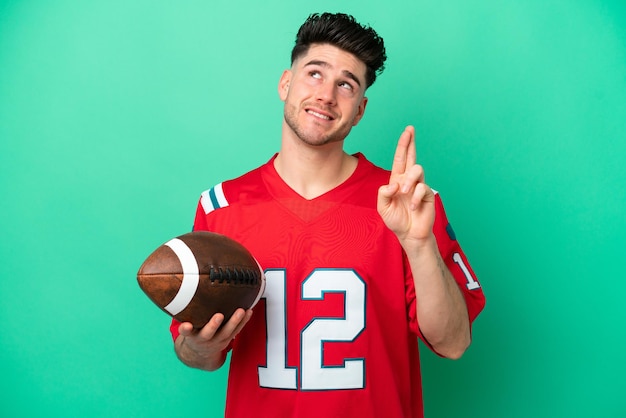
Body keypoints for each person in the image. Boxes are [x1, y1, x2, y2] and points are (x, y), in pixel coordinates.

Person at [170, 12, 485, 418]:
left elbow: (454, 343)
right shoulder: (222, 206)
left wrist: (419, 243)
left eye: (346, 84)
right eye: (314, 74)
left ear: (360, 110)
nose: (326, 95)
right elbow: (199, 355)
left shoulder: (405, 202)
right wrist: (197, 347)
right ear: (286, 83)